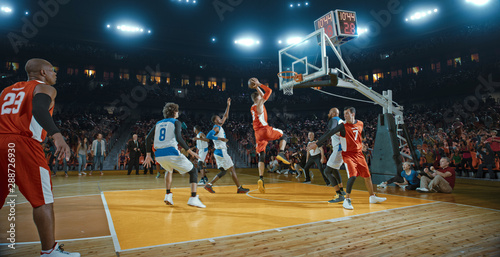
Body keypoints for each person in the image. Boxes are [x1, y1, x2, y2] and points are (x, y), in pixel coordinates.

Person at [0, 58, 80, 256]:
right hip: (23, 143)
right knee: (43, 200)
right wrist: (57, 135)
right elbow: (39, 109)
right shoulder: (45, 88)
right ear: (42, 73)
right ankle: (50, 251)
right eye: (52, 70)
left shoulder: (6, 90)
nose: (55, 74)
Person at [308, 107, 386, 210]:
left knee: (367, 176)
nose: (345, 116)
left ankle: (372, 196)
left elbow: (362, 136)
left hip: (359, 154)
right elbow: (329, 134)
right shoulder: (343, 126)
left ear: (353, 114)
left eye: (347, 114)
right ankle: (346, 199)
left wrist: (363, 144)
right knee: (353, 176)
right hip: (348, 154)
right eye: (344, 114)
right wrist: (317, 144)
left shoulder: (360, 124)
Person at [143, 103, 205, 208]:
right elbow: (179, 139)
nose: (178, 113)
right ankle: (193, 198)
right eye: (177, 111)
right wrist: (190, 151)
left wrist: (148, 155)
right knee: (193, 171)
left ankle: (168, 195)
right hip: (171, 152)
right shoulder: (176, 122)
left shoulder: (158, 123)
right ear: (174, 112)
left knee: (169, 170)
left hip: (158, 155)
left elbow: (148, 139)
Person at [248, 77, 290, 193]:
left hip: (257, 134)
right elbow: (269, 91)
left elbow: (262, 95)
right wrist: (259, 83)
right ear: (258, 98)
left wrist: (256, 87)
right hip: (265, 130)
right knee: (284, 135)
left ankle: (261, 178)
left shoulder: (252, 107)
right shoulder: (260, 104)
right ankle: (281, 153)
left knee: (262, 155)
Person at [204, 98, 250, 194]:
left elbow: (225, 115)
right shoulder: (216, 127)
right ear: (215, 121)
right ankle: (239, 188)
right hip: (221, 151)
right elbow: (208, 136)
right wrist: (221, 139)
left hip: (219, 151)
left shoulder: (219, 126)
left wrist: (228, 105)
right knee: (232, 169)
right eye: (218, 118)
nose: (221, 118)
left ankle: (209, 185)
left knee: (224, 171)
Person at [323, 108, 348, 203]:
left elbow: (331, 130)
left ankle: (339, 194)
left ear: (333, 113)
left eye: (329, 112)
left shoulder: (334, 120)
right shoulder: (341, 120)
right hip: (342, 148)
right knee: (334, 169)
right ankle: (341, 190)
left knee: (327, 171)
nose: (328, 114)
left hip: (338, 149)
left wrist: (320, 141)